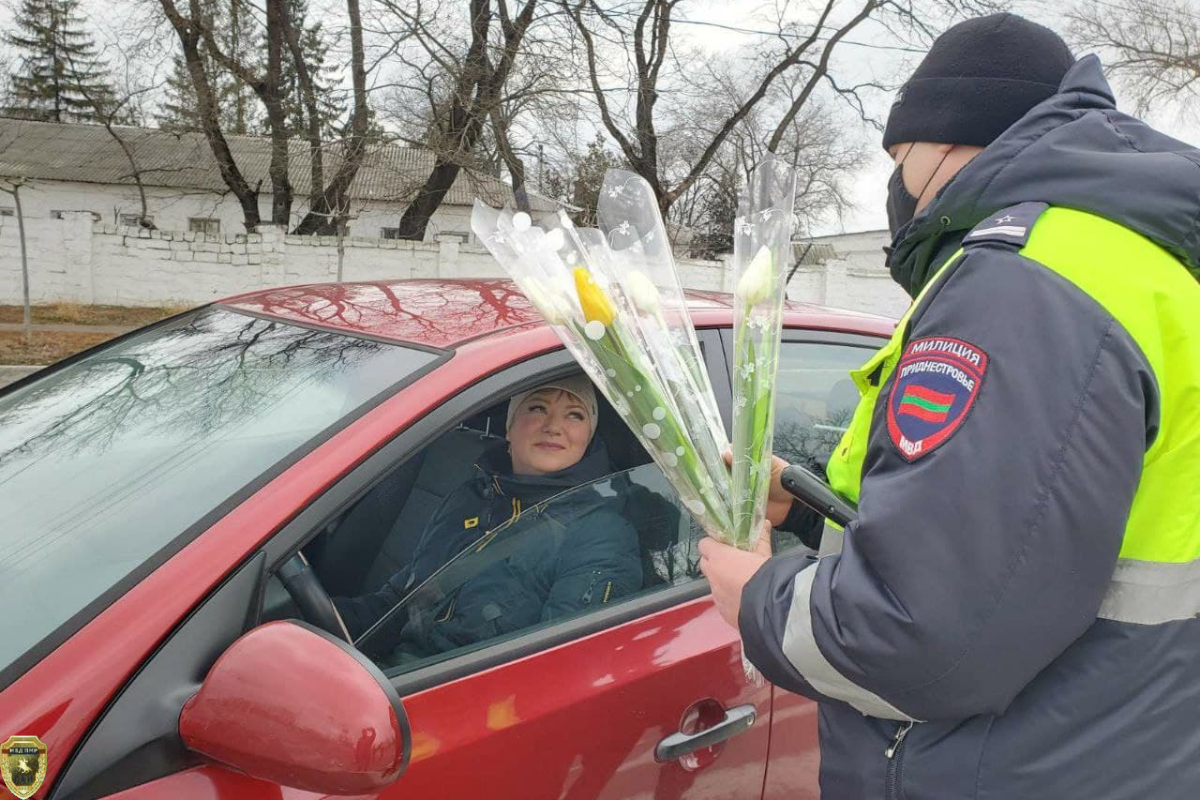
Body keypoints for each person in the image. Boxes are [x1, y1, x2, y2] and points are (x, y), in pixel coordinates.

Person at [700, 13, 1200, 798]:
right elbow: (1046, 535)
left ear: (944, 139)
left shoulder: (1023, 281)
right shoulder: (1145, 265)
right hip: (1115, 744)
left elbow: (926, 643)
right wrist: (806, 512)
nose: (898, 181)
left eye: (899, 155)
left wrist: (760, 598)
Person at [336, 376, 642, 658]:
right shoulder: (469, 498)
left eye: (575, 414)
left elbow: (560, 666)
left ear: (589, 436)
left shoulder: (601, 534)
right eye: (537, 408)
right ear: (508, 426)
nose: (553, 426)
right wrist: (320, 622)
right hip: (392, 674)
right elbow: (398, 602)